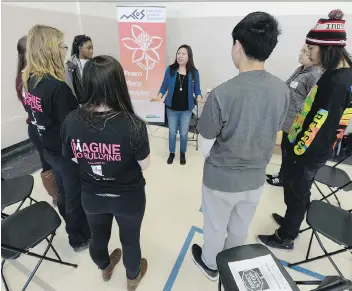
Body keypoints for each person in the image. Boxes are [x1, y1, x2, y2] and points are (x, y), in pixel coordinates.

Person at [191, 12, 290, 281]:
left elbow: (206, 145)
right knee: (239, 226)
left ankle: (211, 265)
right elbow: (277, 131)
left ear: (238, 45)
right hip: (256, 178)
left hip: (220, 179)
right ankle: (232, 265)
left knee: (214, 226)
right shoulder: (282, 90)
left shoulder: (222, 93)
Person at [258, 9, 352, 250]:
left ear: (328, 49)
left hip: (308, 151)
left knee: (297, 191)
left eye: (311, 50)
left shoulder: (337, 82)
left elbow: (322, 124)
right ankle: (291, 221)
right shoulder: (338, 73)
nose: (308, 53)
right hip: (302, 144)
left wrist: (296, 148)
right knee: (292, 187)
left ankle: (286, 236)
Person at [61, 55, 149, 290]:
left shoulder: (71, 121)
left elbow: (71, 157)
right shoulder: (134, 124)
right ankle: (132, 278)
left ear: (86, 83)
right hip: (128, 198)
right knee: (130, 240)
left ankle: (105, 268)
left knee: (98, 237)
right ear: (119, 84)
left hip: (92, 196)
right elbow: (145, 164)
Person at [22, 25, 91, 252]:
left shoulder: (31, 79)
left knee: (63, 192)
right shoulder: (57, 88)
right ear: (51, 50)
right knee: (74, 195)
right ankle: (79, 238)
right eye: (62, 46)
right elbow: (74, 128)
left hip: (49, 149)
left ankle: (72, 226)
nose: (64, 51)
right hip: (64, 152)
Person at [266, 44, 322, 186]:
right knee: (286, 150)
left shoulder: (314, 75)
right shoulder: (300, 70)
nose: (300, 54)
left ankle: (285, 179)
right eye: (301, 50)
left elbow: (312, 101)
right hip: (288, 120)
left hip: (297, 124)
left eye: (304, 51)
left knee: (290, 153)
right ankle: (282, 175)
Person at [15, 35, 59, 206]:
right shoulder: (27, 79)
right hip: (42, 127)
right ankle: (57, 196)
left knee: (49, 161)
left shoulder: (28, 77)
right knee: (49, 163)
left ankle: (58, 195)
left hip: (39, 126)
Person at [151, 45, 202, 165]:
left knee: (184, 133)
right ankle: (172, 153)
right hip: (171, 108)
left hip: (186, 109)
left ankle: (183, 153)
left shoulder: (194, 73)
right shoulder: (170, 70)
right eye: (178, 53)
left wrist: (199, 98)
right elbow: (164, 86)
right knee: (172, 132)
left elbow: (197, 89)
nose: (180, 56)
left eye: (183, 54)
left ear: (189, 56)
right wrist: (158, 96)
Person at [66, 35, 93, 103]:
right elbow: (70, 87)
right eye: (88, 48)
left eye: (92, 48)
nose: (91, 51)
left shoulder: (95, 63)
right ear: (80, 48)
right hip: (79, 104)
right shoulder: (70, 65)